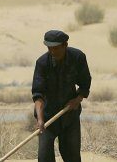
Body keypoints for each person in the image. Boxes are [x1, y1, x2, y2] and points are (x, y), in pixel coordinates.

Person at [31, 30, 91, 162]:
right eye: (49, 48)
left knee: (72, 156)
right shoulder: (42, 63)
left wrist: (76, 100)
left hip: (69, 114)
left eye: (56, 48)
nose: (52, 52)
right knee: (44, 157)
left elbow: (85, 84)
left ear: (65, 45)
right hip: (47, 117)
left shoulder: (78, 57)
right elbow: (38, 95)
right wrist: (40, 120)